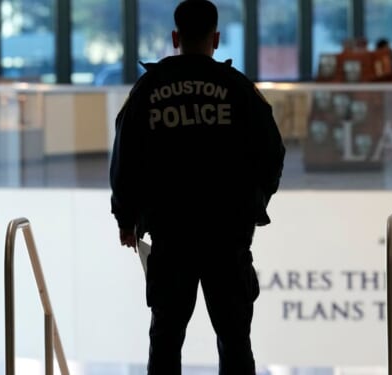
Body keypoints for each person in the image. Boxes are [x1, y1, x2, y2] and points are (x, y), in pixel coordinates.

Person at [109, 1, 286, 374]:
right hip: (227, 236)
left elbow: (126, 158)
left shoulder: (148, 90)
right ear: (216, 39)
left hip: (171, 236)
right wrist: (253, 205)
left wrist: (127, 218)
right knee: (235, 339)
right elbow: (272, 153)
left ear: (175, 37)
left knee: (166, 339)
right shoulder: (238, 89)